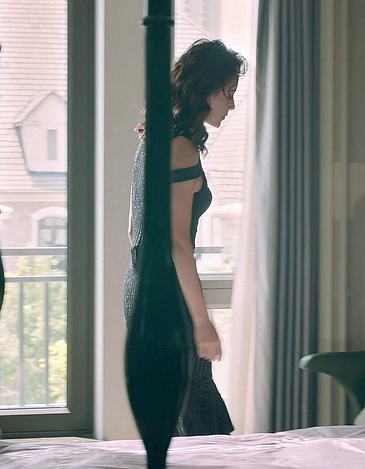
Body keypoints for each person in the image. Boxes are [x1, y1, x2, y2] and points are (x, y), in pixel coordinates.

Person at [123, 38, 247, 436]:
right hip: (164, 297)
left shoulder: (156, 139)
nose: (231, 105)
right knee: (194, 414)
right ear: (204, 89)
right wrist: (201, 321)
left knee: (175, 411)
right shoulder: (180, 149)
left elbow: (134, 229)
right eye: (228, 92)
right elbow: (177, 243)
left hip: (141, 290)